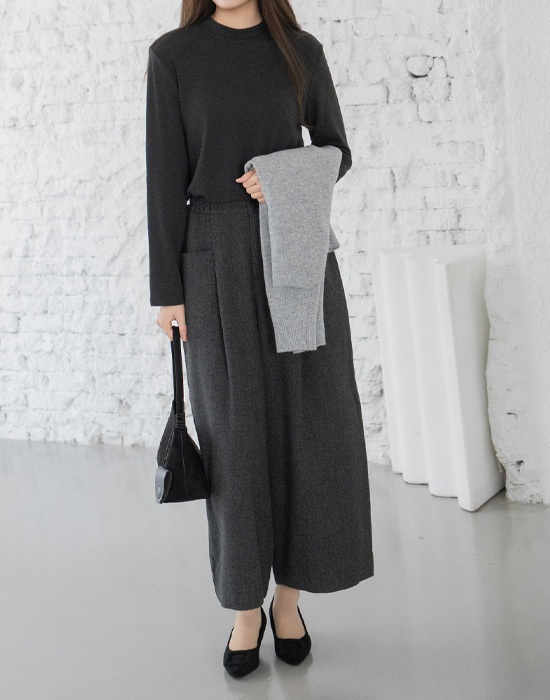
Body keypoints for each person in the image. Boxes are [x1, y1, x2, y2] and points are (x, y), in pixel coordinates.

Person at [145, 0, 374, 677]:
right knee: (234, 436)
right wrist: (167, 291)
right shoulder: (173, 56)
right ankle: (246, 609)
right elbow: (163, 176)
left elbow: (336, 150)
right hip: (211, 254)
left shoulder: (300, 50)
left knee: (312, 425)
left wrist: (282, 176)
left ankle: (290, 601)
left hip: (296, 246)